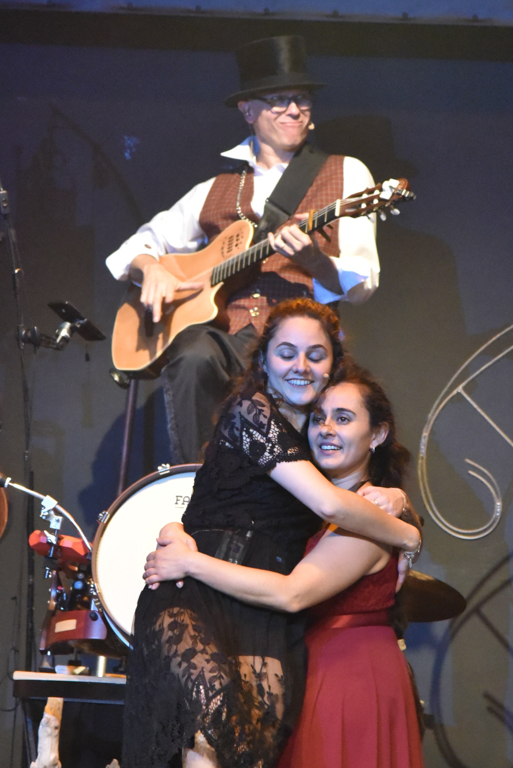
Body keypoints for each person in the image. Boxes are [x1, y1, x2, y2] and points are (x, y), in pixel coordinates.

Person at [124, 298, 420, 768]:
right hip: (196, 594)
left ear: (333, 364)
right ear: (263, 361)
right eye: (286, 352)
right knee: (206, 746)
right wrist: (407, 536)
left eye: (315, 355)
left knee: (248, 757)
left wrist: (401, 505)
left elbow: (340, 501)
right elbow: (323, 505)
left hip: (264, 619)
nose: (300, 366)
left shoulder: (317, 445)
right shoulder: (251, 412)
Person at [106, 35, 380, 463]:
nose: (294, 110)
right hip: (228, 336)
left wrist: (316, 262)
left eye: (302, 99)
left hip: (297, 340)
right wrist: (151, 269)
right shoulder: (214, 189)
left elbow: (363, 281)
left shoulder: (345, 174)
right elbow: (135, 247)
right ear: (247, 111)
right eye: (278, 100)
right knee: (193, 356)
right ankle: (193, 481)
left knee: (291, 359)